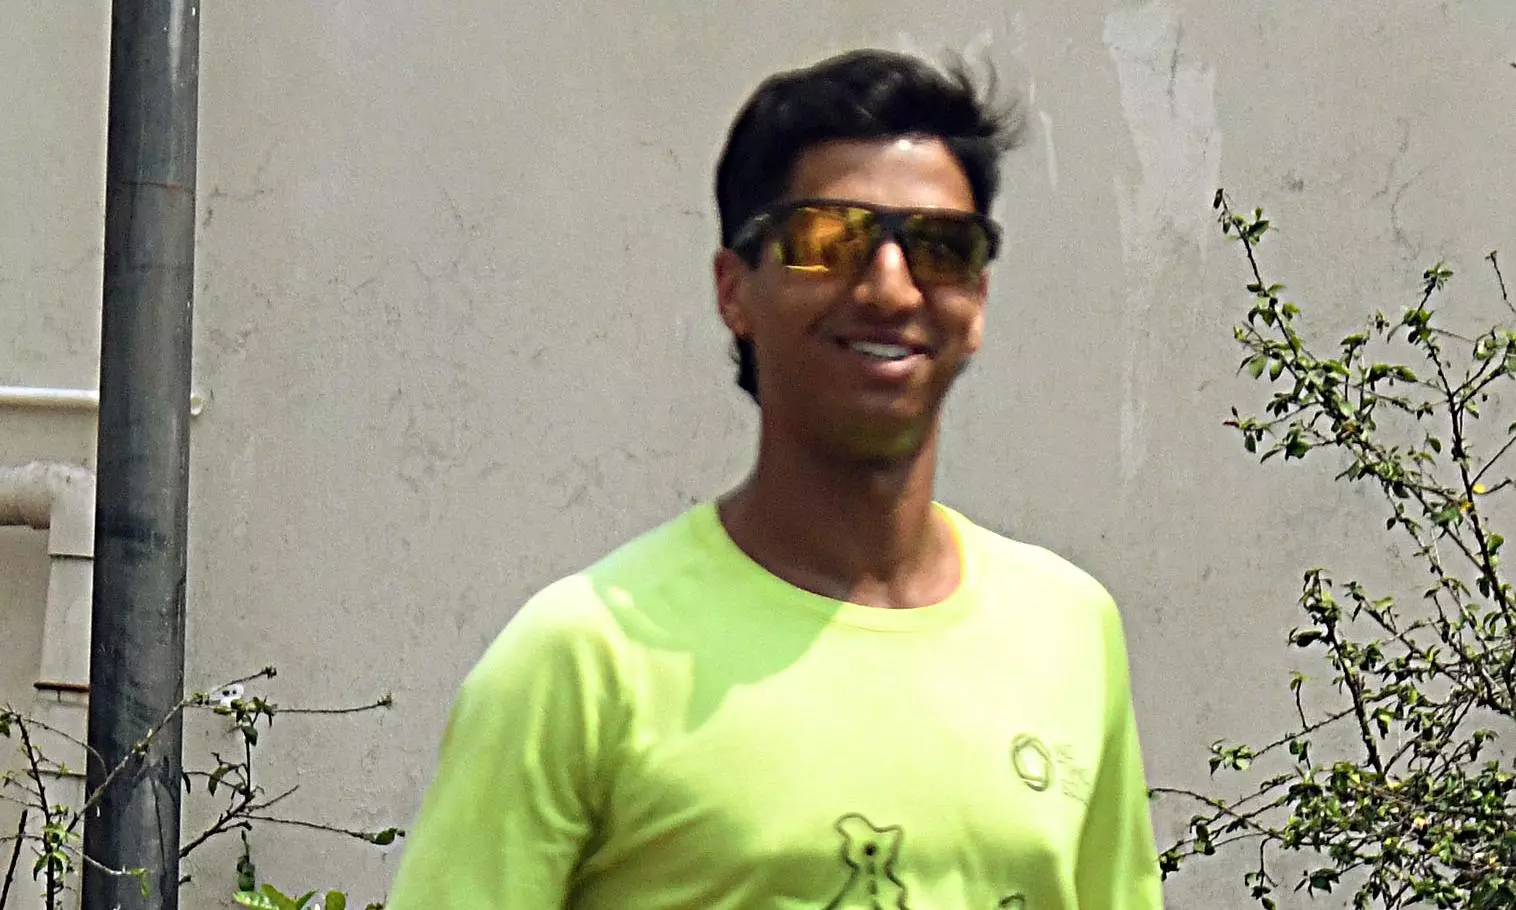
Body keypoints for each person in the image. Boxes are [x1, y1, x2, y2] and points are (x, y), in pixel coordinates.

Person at [385, 48, 1164, 910]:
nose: (891, 288)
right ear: (734, 291)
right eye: (827, 241)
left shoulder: (1068, 630)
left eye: (941, 247)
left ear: (977, 298)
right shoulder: (584, 659)